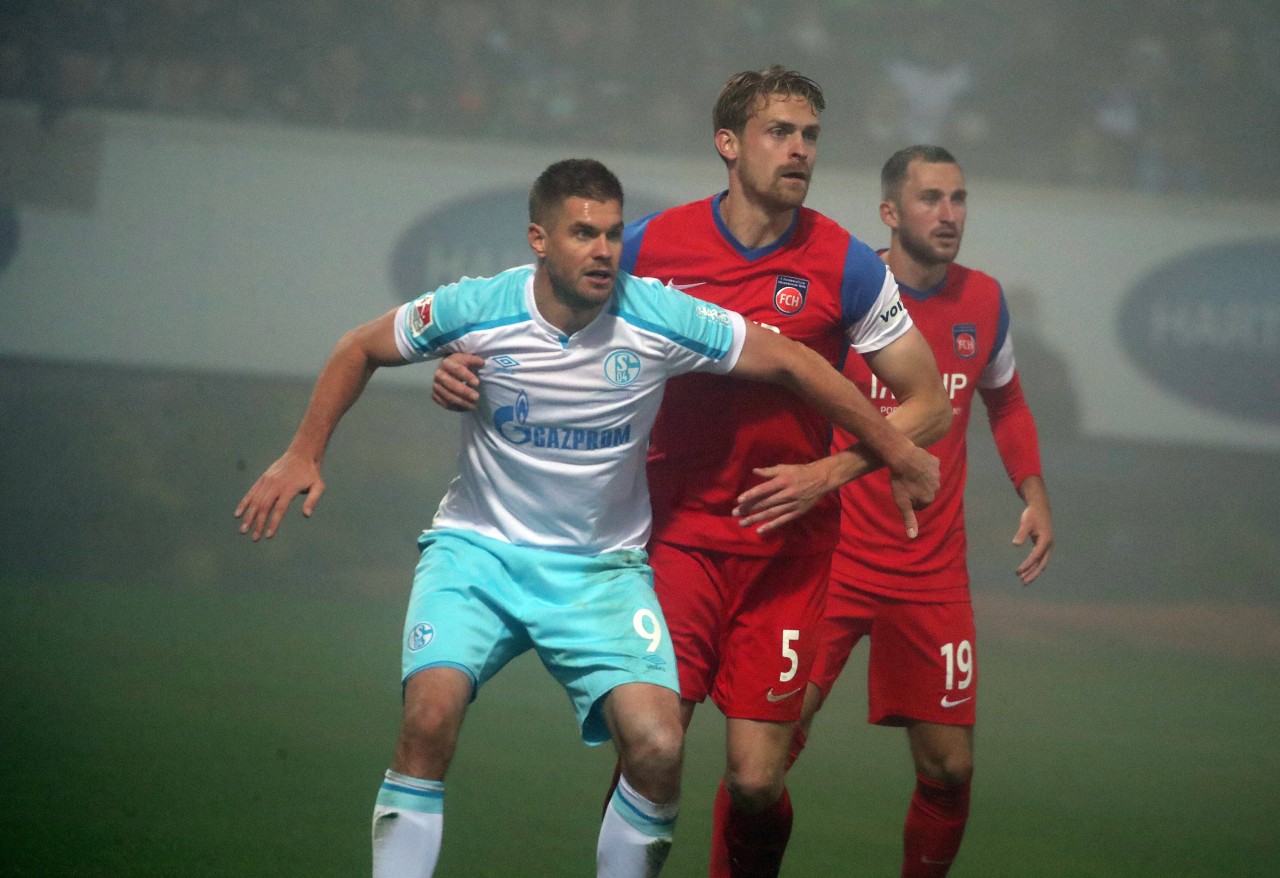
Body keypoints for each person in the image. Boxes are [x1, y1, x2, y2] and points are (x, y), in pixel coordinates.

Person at [234, 157, 941, 878]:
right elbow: (360, 346)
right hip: (478, 555)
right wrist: (302, 454)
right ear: (539, 240)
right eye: (582, 234)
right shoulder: (477, 308)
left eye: (610, 233)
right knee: (427, 718)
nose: (602, 250)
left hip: (601, 573)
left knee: (661, 748)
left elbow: (794, 362)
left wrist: (894, 452)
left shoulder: (657, 313)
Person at [431, 68, 953, 877]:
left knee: (753, 780)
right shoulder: (649, 247)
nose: (799, 150)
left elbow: (927, 405)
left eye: (810, 136)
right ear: (729, 144)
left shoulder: (846, 264)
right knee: (650, 743)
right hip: (669, 539)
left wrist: (829, 474)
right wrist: (467, 370)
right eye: (780, 132)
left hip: (789, 551)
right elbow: (541, 322)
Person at [746, 145, 1056, 876]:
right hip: (832, 558)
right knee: (765, 758)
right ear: (890, 213)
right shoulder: (848, 290)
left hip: (930, 572)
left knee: (949, 770)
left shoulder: (984, 298)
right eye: (930, 199)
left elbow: (1005, 399)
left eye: (958, 199)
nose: (949, 215)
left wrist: (1034, 492)